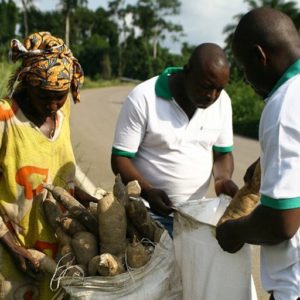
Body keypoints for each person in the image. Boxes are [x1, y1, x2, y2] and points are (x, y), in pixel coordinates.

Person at [0, 31, 97, 299]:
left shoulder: (62, 115)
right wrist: (14, 248)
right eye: (44, 96)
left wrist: (90, 202)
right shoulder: (5, 119)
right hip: (14, 252)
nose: (53, 105)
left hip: (61, 249)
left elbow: (64, 173)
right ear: (26, 82)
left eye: (60, 95)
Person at [216, 8, 300, 300]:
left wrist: (234, 232)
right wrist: (269, 160)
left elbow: (282, 221)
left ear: (259, 56)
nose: (247, 79)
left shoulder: (284, 104)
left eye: (243, 67)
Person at [111, 43, 238, 233]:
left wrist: (222, 179)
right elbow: (120, 158)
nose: (212, 96)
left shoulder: (223, 102)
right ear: (187, 72)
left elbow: (222, 154)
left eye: (218, 89)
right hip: (146, 213)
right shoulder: (143, 97)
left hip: (195, 217)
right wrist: (148, 190)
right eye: (206, 87)